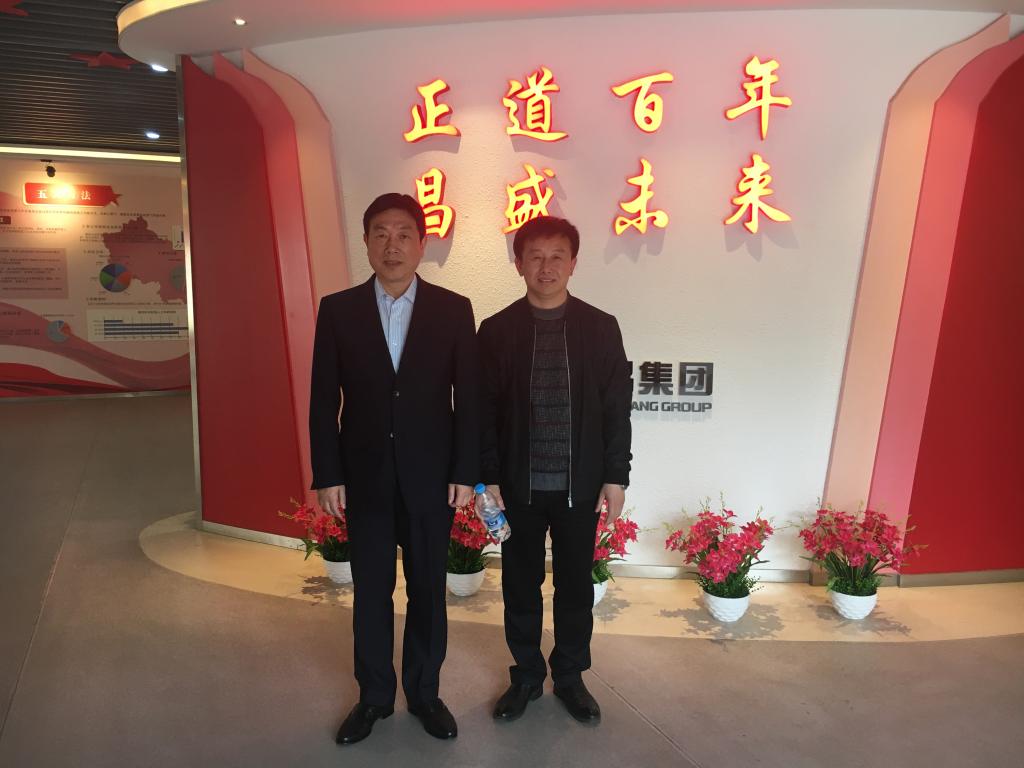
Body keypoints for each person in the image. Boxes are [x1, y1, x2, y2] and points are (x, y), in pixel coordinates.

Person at [309, 193, 479, 745]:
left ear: (422, 243)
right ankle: (375, 697)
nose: (392, 245)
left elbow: (469, 400)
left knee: (428, 589)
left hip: (431, 479)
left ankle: (425, 694)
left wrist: (464, 471)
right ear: (365, 242)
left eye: (404, 234)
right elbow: (322, 400)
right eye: (380, 233)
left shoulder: (453, 310)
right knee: (371, 592)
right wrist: (328, 473)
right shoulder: (338, 310)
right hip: (366, 477)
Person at [477, 216, 632, 725]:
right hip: (516, 489)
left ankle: (569, 676)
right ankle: (525, 676)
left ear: (573, 263)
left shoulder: (600, 327)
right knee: (519, 588)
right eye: (535, 256)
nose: (546, 267)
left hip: (578, 488)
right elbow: (482, 411)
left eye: (557, 256)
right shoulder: (496, 331)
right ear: (518, 263)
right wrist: (488, 477)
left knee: (574, 589)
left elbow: (617, 407)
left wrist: (616, 475)